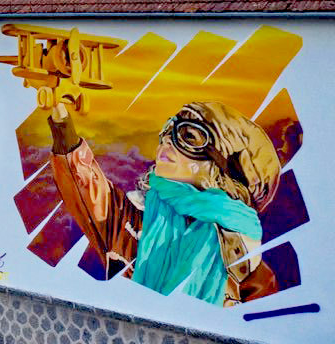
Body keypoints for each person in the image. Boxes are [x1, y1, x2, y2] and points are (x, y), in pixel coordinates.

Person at [48, 99, 281, 306]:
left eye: (189, 136)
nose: (168, 142)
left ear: (224, 168)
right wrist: (61, 121)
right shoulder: (139, 221)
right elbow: (87, 190)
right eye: (167, 132)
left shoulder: (248, 270)